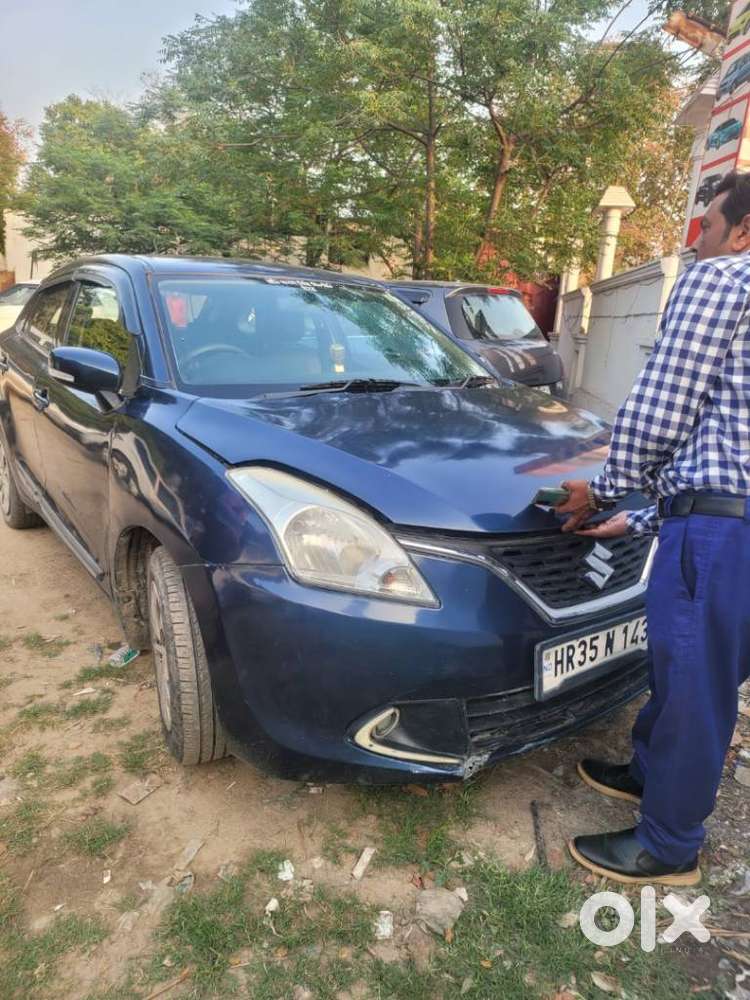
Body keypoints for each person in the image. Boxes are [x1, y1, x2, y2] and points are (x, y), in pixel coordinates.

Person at [556, 170, 750, 886]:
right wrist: (638, 516)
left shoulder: (724, 280)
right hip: (730, 527)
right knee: (698, 672)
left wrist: (599, 492)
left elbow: (664, 413)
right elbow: (728, 438)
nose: (694, 238)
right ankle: (649, 774)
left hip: (720, 537)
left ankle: (669, 847)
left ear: (742, 231)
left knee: (695, 685)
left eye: (705, 224)